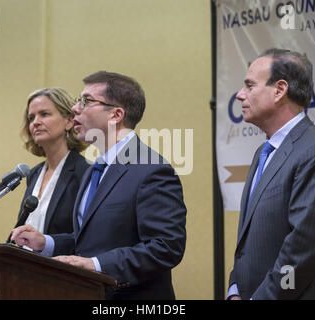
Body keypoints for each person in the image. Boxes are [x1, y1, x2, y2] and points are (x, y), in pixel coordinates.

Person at [11, 71, 187, 299]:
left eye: (86, 101)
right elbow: (92, 241)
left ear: (115, 115)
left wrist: (95, 265)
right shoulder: (96, 170)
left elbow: (166, 248)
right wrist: (47, 242)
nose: (75, 108)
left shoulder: (151, 169)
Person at [228, 48, 315, 300]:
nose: (240, 95)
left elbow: (302, 255)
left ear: (279, 90)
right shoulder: (264, 151)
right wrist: (235, 290)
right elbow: (248, 246)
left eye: (250, 86)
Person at [18, 88, 89, 235]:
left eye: (44, 114)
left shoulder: (85, 172)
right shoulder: (34, 174)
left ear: (69, 121)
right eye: (31, 118)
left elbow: (85, 236)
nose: (35, 122)